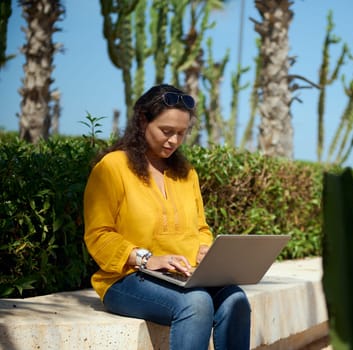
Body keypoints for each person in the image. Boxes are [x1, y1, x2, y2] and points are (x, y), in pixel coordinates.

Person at [83, 84, 251, 350]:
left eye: (181, 134)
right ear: (142, 121)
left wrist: (205, 250)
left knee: (235, 300)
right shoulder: (113, 167)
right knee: (196, 303)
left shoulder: (187, 174)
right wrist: (148, 259)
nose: (173, 141)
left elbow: (200, 227)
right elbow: (98, 235)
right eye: (166, 131)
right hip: (127, 279)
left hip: (183, 277)